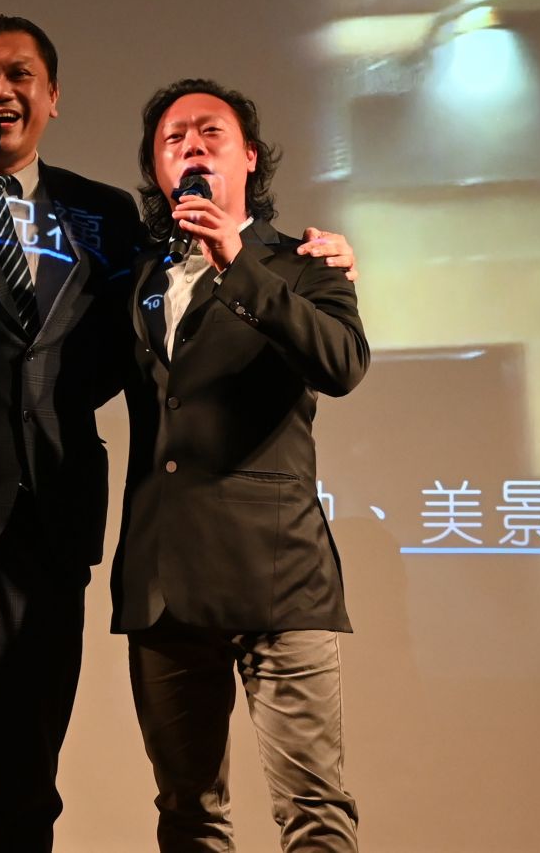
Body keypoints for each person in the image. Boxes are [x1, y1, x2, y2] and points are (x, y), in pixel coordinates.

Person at [0, 17, 357, 853]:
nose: (0, 92)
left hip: (43, 529)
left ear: (52, 97)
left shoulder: (100, 213)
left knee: (22, 785)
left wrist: (298, 257)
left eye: (20, 75)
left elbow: (161, 326)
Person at [112, 78, 369, 852]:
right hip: (162, 583)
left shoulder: (306, 264)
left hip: (278, 577)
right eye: (173, 139)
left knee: (314, 812)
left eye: (210, 132)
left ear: (249, 158)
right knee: (188, 816)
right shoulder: (138, 281)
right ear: (158, 171)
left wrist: (236, 261)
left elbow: (342, 365)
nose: (191, 146)